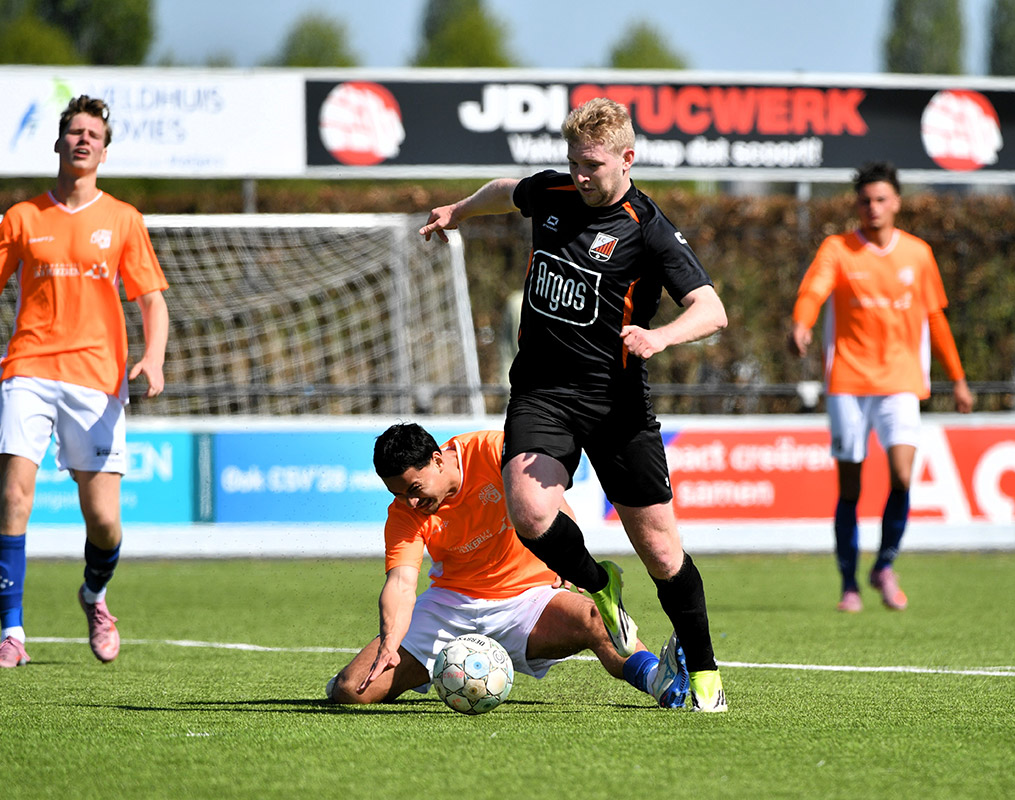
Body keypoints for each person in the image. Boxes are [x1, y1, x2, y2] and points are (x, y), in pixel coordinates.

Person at [419, 98, 729, 712]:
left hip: (616, 404)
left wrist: (661, 337)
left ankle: (704, 671)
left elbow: (711, 310)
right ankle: (598, 583)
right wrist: (459, 210)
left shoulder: (648, 228)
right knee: (530, 510)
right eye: (573, 162)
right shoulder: (554, 192)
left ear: (626, 158)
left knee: (662, 553)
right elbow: (507, 189)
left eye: (592, 165)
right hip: (542, 392)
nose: (580, 175)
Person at [0, 95, 170, 666]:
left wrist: (153, 358)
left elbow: (152, 301)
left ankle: (94, 595)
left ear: (105, 151)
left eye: (94, 135)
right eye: (75, 131)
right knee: (14, 496)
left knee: (104, 522)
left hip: (97, 379)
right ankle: (13, 634)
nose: (83, 140)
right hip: (28, 369)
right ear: (58, 142)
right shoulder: (23, 218)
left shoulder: (123, 219)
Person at [326, 423, 689, 709]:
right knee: (351, 691)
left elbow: (547, 500)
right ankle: (366, 677)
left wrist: (566, 556)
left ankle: (657, 679)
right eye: (399, 494)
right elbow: (402, 584)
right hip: (450, 606)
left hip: (528, 599)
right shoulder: (404, 514)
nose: (410, 502)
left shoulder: (492, 451)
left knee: (596, 618)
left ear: (437, 460)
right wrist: (390, 642)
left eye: (415, 489)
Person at [788, 161, 973, 613]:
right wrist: (801, 323)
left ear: (896, 203)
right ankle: (849, 585)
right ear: (857, 205)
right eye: (865, 200)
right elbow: (813, 291)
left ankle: (884, 565)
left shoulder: (918, 254)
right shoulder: (838, 249)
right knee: (850, 487)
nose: (873, 207)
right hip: (848, 381)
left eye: (881, 199)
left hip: (901, 381)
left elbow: (935, 319)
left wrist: (958, 379)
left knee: (903, 477)